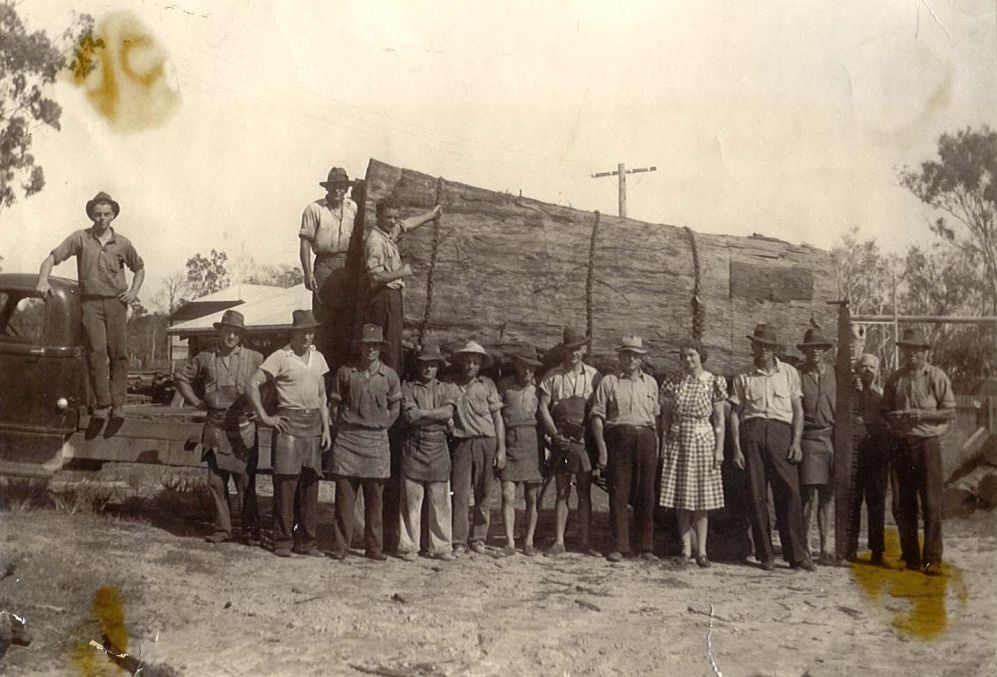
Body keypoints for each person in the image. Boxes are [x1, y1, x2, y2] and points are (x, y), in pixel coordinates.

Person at [36, 191, 145, 421]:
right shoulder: (80, 238)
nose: (102, 219)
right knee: (96, 352)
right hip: (91, 304)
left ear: (113, 215)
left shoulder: (123, 243)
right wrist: (42, 279)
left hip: (116, 303)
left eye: (106, 214)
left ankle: (118, 405)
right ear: (91, 215)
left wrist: (133, 292)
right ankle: (103, 404)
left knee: (119, 353)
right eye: (97, 214)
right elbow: (52, 257)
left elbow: (140, 268)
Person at [729, 323, 814, 572]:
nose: (763, 350)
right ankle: (765, 555)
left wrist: (796, 442)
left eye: (768, 346)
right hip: (753, 432)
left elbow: (798, 411)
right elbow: (735, 414)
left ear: (774, 348)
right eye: (759, 345)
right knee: (757, 495)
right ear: (753, 346)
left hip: (781, 433)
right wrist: (736, 447)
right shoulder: (743, 375)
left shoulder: (788, 373)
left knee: (790, 492)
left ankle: (797, 555)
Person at [174, 310, 263, 545]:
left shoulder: (256, 358)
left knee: (245, 482)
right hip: (215, 428)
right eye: (227, 331)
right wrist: (196, 402)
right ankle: (223, 529)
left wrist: (262, 408)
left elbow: (273, 381)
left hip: (243, 427)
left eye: (236, 332)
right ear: (220, 332)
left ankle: (250, 531)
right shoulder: (205, 358)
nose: (231, 336)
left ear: (241, 335)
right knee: (215, 482)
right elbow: (180, 377)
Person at [246, 310, 331, 558]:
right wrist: (265, 417)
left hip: (313, 426)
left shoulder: (319, 358)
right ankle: (282, 541)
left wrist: (325, 429)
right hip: (288, 425)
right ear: (293, 333)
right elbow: (251, 384)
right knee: (286, 485)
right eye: (303, 331)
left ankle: (307, 543)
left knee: (310, 485)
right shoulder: (280, 357)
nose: (307, 336)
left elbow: (323, 396)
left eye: (311, 331)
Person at [882, 328, 956, 576]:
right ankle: (910, 556)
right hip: (901, 444)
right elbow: (884, 410)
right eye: (907, 350)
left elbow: (949, 412)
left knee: (932, 503)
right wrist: (894, 418)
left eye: (916, 350)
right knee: (903, 503)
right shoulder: (894, 379)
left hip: (927, 444)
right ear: (902, 351)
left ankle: (932, 559)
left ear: (924, 352)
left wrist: (921, 415)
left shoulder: (936, 376)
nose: (912, 355)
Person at [327, 324, 402, 562]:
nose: (370, 349)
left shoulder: (389, 376)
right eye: (366, 344)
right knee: (344, 500)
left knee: (375, 501)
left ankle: (374, 548)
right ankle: (341, 546)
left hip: (376, 442)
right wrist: (344, 429)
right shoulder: (346, 373)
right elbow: (334, 407)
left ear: (380, 348)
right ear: (360, 346)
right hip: (348, 440)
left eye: (375, 345)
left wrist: (382, 427)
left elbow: (396, 407)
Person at [591, 335, 660, 563]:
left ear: (641, 359)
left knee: (646, 494)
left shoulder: (650, 383)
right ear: (619, 357)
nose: (630, 359)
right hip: (619, 438)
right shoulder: (609, 382)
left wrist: (656, 447)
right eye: (626, 354)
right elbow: (598, 417)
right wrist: (602, 449)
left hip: (646, 439)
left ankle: (646, 546)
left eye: (635, 355)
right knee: (619, 493)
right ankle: (619, 545)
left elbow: (655, 419)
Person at [658, 339, 727, 568]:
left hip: (702, 440)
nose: (687, 360)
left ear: (701, 356)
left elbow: (719, 420)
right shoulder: (674, 381)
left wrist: (719, 449)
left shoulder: (713, 381)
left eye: (691, 355)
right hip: (679, 439)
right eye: (683, 356)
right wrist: (665, 442)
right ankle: (685, 548)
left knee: (701, 497)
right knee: (681, 496)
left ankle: (702, 551)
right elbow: (666, 416)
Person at [538, 326, 600, 557]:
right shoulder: (552, 376)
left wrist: (590, 436)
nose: (574, 353)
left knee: (584, 491)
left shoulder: (594, 376)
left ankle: (584, 541)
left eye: (578, 348)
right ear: (564, 350)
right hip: (562, 439)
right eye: (570, 349)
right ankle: (559, 541)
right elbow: (543, 407)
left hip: (584, 440)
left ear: (584, 349)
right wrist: (555, 435)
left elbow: (598, 409)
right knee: (562, 489)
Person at [364, 197, 442, 374]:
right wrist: (401, 272)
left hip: (393, 296)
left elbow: (407, 224)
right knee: (388, 345)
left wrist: (431, 215)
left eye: (394, 217)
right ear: (378, 217)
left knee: (394, 342)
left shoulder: (389, 233)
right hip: (383, 297)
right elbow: (375, 277)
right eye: (388, 217)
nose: (392, 221)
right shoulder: (375, 241)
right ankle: (389, 386)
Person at [397, 345, 457, 562]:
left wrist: (424, 414)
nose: (428, 370)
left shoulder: (446, 388)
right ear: (418, 366)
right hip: (415, 448)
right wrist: (438, 416)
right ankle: (408, 546)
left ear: (438, 368)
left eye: (432, 365)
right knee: (411, 501)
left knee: (440, 501)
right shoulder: (408, 387)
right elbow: (410, 416)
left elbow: (448, 411)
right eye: (424, 365)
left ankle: (441, 546)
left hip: (439, 449)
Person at [450, 341, 505, 555]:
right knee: (460, 493)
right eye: (467, 362)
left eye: (475, 362)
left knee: (483, 492)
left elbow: (497, 418)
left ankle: (479, 538)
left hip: (486, 441)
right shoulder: (451, 385)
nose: (470, 366)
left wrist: (500, 450)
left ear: (480, 365)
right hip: (462, 443)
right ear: (461, 363)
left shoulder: (488, 385)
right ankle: (459, 541)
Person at [299, 167, 357, 367]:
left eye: (342, 187)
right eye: (334, 187)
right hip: (324, 264)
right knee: (324, 317)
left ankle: (342, 370)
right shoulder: (314, 209)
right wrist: (308, 273)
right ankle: (324, 369)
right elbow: (305, 242)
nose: (338, 191)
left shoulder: (353, 208)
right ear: (328, 187)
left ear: (346, 188)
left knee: (346, 317)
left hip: (346, 265)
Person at [497, 345, 545, 557]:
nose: (527, 372)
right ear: (516, 365)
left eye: (531, 368)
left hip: (532, 442)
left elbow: (545, 417)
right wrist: (500, 447)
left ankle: (528, 541)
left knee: (532, 496)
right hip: (509, 441)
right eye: (524, 367)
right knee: (508, 493)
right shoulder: (505, 386)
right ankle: (509, 541)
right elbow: (496, 416)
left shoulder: (539, 389)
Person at [796, 327, 837, 566]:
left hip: (830, 439)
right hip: (809, 439)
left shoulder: (834, 373)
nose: (816, 353)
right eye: (812, 349)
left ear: (825, 352)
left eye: (820, 349)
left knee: (827, 496)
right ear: (806, 351)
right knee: (808, 495)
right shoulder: (799, 374)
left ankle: (825, 546)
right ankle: (805, 546)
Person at [846, 353, 890, 566]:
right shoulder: (848, 396)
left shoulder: (882, 395)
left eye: (873, 366)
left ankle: (877, 551)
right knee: (852, 502)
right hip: (854, 455)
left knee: (876, 503)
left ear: (878, 371)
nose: (868, 370)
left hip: (876, 456)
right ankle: (850, 548)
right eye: (864, 366)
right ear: (857, 369)